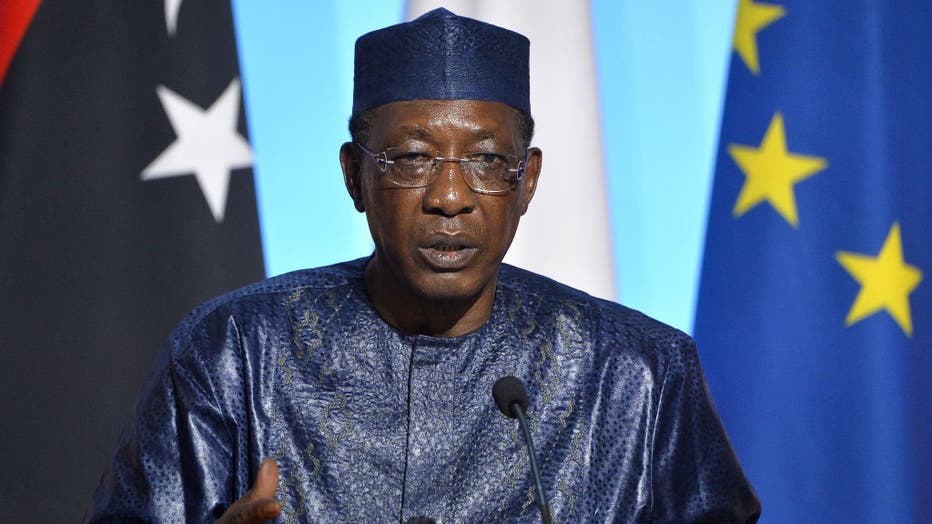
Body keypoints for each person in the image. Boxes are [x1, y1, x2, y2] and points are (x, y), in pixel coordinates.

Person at [85, 9, 760, 523]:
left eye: (487, 161)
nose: (449, 196)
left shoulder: (638, 374)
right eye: (411, 158)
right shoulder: (232, 352)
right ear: (355, 177)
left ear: (527, 182)